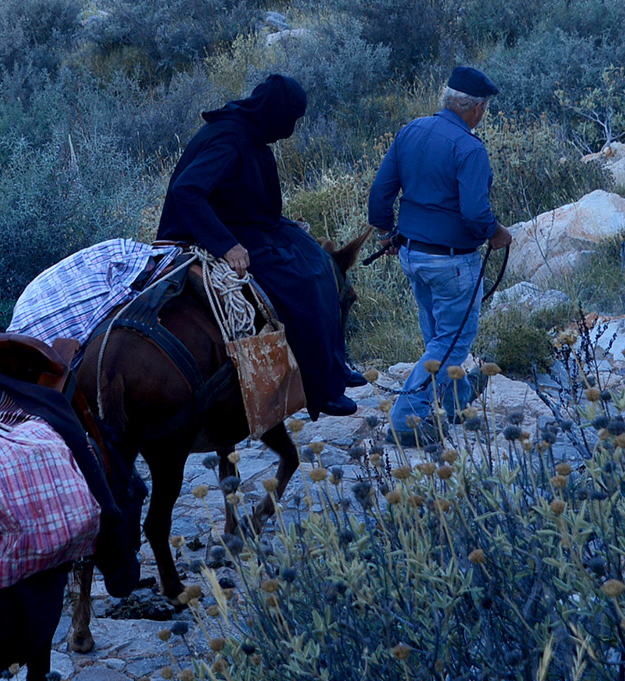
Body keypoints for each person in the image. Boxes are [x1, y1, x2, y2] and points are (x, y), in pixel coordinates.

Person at [156, 74, 358, 417]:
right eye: (292, 119)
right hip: (209, 232)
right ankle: (319, 387)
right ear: (277, 114)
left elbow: (238, 194)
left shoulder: (248, 130)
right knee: (303, 281)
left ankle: (333, 366)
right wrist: (227, 246)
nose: (291, 128)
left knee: (319, 258)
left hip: (242, 223)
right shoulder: (230, 140)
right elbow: (187, 191)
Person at [367, 65, 512, 444]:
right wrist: (497, 233)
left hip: (412, 255)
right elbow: (475, 214)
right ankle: (406, 420)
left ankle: (456, 396)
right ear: (477, 108)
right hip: (453, 263)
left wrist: (385, 234)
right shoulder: (470, 148)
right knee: (452, 341)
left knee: (437, 333)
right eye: (484, 109)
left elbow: (380, 193)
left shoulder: (411, 131)